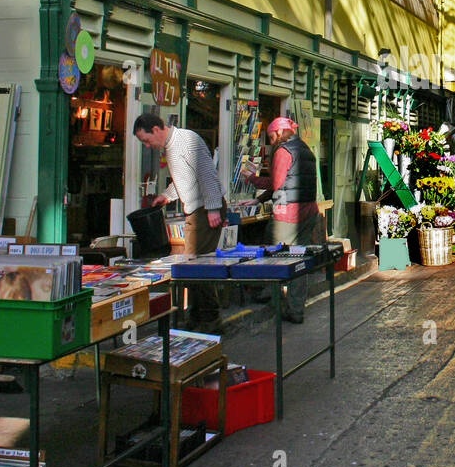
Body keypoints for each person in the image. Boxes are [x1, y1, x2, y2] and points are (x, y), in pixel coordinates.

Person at [133, 113, 226, 332]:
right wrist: (167, 195)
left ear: (156, 129)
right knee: (193, 265)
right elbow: (187, 179)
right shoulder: (171, 147)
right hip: (198, 209)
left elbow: (206, 174)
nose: (147, 146)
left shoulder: (186, 141)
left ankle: (210, 319)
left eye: (146, 140)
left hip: (203, 209)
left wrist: (213, 208)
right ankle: (198, 316)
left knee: (196, 266)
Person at [246, 116, 320, 323]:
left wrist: (252, 179)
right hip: (308, 211)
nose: (271, 141)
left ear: (279, 133)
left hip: (288, 214)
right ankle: (296, 309)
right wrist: (259, 200)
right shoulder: (304, 149)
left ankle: (272, 298)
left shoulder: (283, 151)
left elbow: (277, 184)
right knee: (299, 260)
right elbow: (289, 181)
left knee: (274, 255)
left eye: (271, 137)